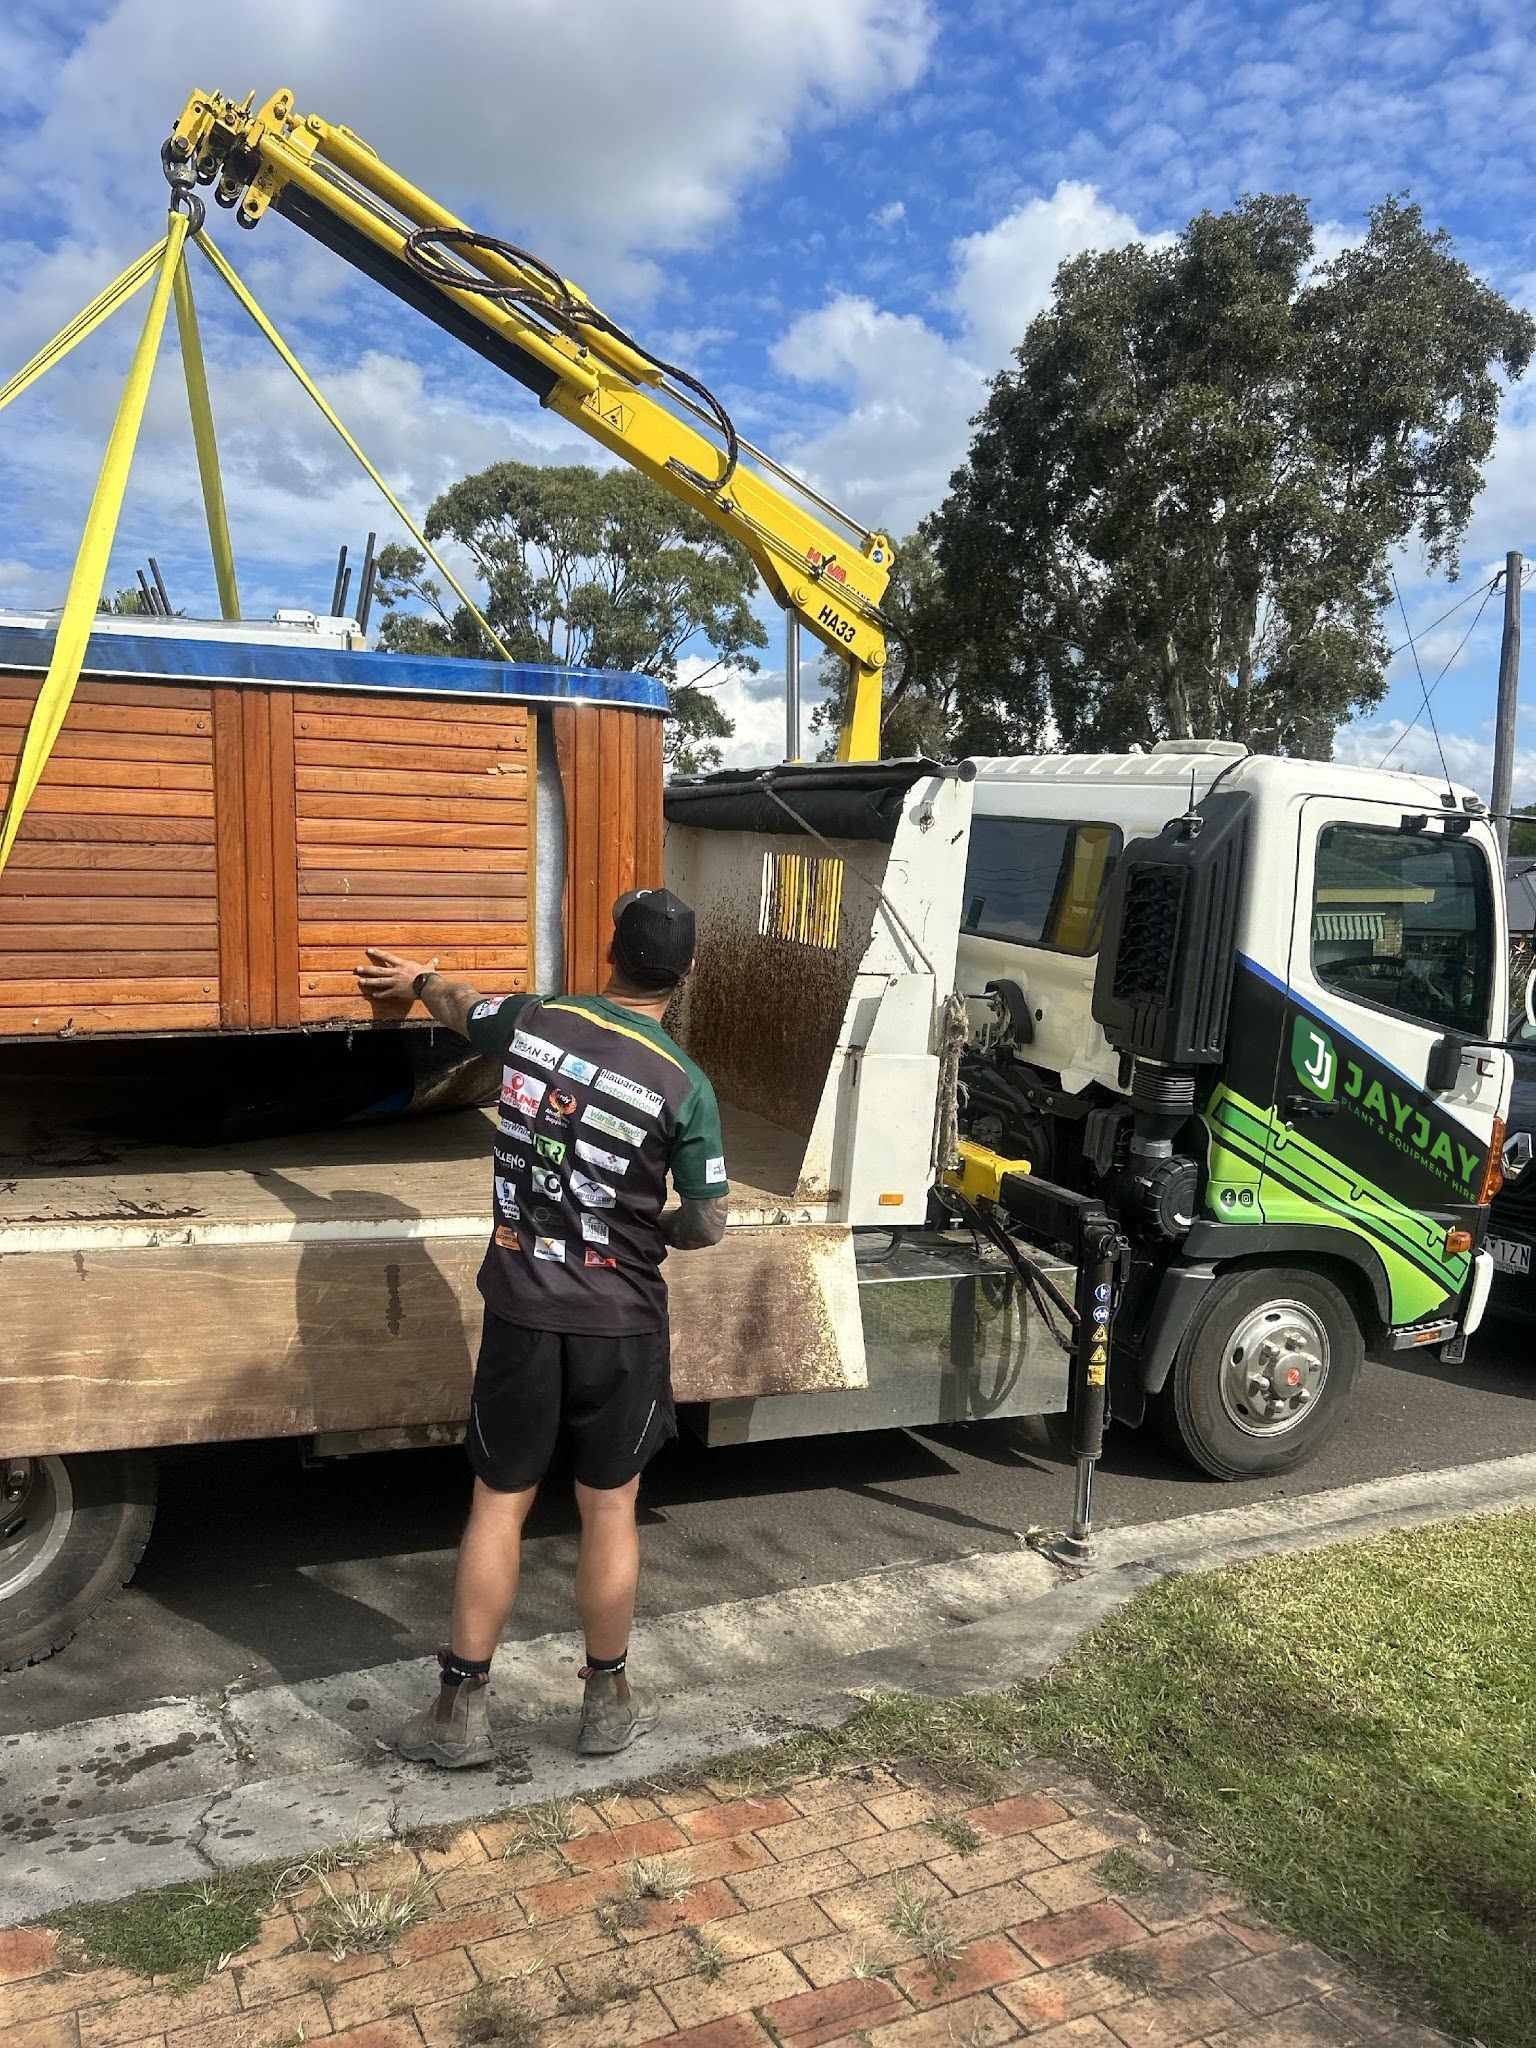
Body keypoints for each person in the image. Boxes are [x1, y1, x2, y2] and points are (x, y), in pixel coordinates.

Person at [354, 889, 729, 1767]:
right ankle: (606, 1704)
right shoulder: (685, 1084)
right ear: (686, 974)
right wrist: (656, 1231)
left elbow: (459, 1003)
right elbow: (709, 1222)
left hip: (522, 1315)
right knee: (610, 1509)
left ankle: (460, 1715)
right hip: (622, 1323)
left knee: (499, 1504)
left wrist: (416, 978)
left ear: (609, 953)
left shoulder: (535, 1023)